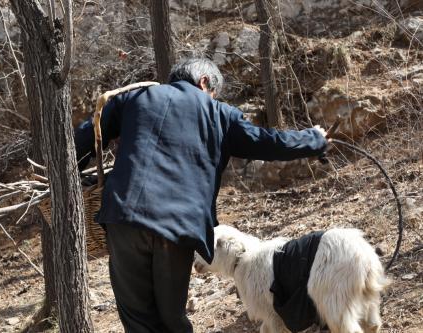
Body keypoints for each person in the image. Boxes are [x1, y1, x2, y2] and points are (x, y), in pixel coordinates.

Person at [74, 58, 328, 333]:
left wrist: (71, 175)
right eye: (213, 93)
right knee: (172, 319)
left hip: (127, 218)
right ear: (204, 82)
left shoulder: (137, 97)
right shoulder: (221, 114)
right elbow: (268, 143)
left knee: (139, 321)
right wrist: (314, 139)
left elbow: (87, 136)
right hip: (180, 228)